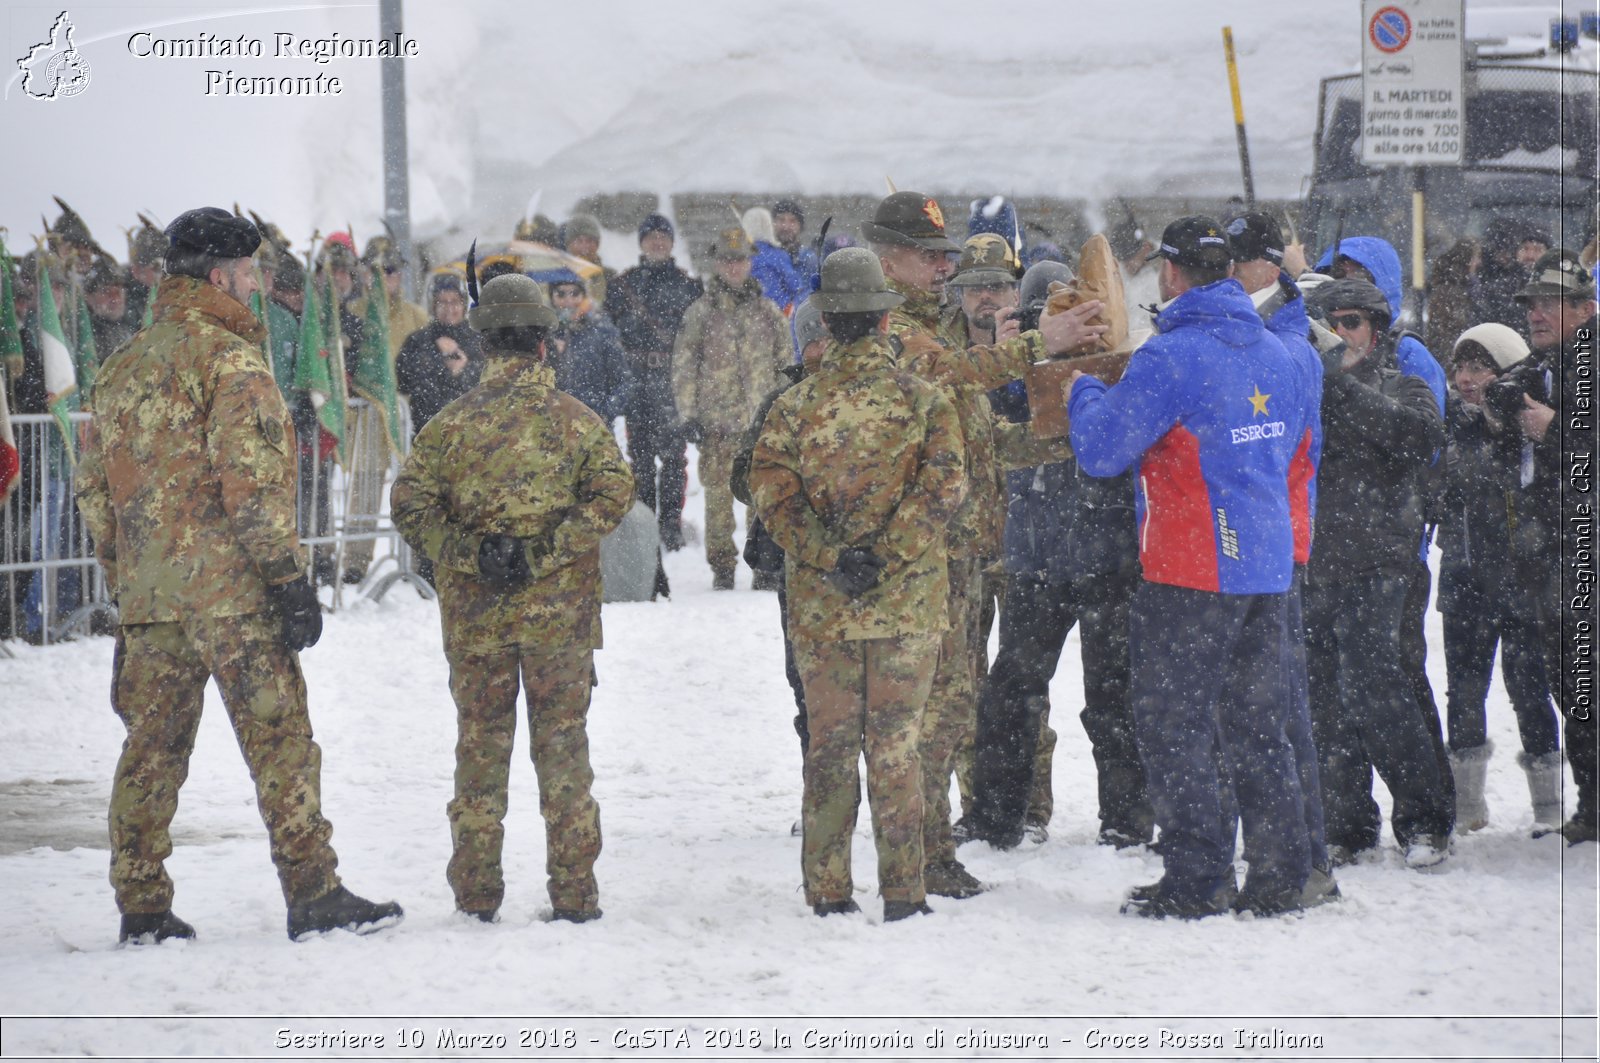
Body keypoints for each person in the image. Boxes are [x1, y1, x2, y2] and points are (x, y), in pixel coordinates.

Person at [74, 207, 403, 944]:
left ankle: (142, 902)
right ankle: (312, 887)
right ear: (222, 275)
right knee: (281, 740)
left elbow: (93, 490)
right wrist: (289, 582)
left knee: (150, 754)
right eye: (251, 271)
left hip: (153, 598)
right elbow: (250, 488)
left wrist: (129, 577)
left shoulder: (122, 367)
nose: (257, 285)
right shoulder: (232, 360)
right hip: (233, 597)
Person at [867, 190, 1107, 899]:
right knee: (934, 707)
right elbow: (954, 375)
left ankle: (936, 845)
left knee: (959, 700)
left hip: (967, 538)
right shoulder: (888, 327)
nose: (942, 269)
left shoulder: (922, 322)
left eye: (950, 258)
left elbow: (973, 430)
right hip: (926, 546)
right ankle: (919, 851)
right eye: (930, 256)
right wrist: (1041, 346)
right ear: (888, 257)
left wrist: (1056, 437)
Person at [1068, 216, 1310, 918]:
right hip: (1265, 564)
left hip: (1192, 568)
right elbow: (1293, 449)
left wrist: (1084, 389)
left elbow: (1102, 451)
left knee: (1174, 725)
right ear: (1232, 271)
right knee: (1260, 726)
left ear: (1171, 275)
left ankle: (1199, 874)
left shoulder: (1171, 356)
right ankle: (1280, 870)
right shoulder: (1281, 352)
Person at [391, 273, 634, 923]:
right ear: (544, 344)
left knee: (479, 753)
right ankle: (575, 889)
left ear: (484, 341)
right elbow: (614, 493)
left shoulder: (449, 427)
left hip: (478, 620)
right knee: (564, 754)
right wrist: (549, 549)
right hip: (560, 621)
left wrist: (473, 553)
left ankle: (476, 890)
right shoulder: (577, 424)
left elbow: (409, 505)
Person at [748, 248, 967, 922]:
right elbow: (946, 488)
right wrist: (888, 551)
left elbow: (771, 495)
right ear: (881, 317)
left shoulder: (793, 407)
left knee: (831, 746)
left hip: (823, 605)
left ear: (826, 321)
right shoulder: (924, 400)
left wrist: (832, 554)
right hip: (906, 602)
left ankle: (828, 887)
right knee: (897, 745)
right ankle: (903, 889)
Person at [1304, 276, 1454, 869]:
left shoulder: (1404, 385)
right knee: (1325, 700)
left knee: (1379, 690)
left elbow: (1420, 439)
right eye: (1331, 324)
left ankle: (1425, 820)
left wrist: (1337, 382)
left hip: (1385, 565)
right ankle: (1347, 823)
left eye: (1352, 323)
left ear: (1376, 328)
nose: (1342, 334)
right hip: (1318, 565)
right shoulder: (1308, 392)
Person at [1224, 211, 1336, 901]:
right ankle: (1300, 853)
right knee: (1273, 707)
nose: (1230, 274)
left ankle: (1305, 858)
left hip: (1275, 540)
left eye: (1241, 261)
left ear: (1269, 266)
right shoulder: (1278, 329)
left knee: (1280, 709)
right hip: (1265, 536)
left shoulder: (1285, 339)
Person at [1437, 323, 1560, 832]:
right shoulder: (1447, 423)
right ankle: (1467, 805)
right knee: (1464, 689)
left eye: (1481, 367)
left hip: (1523, 578)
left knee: (1530, 686)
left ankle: (1550, 806)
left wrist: (1505, 423)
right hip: (1463, 576)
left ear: (1508, 371)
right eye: (1462, 367)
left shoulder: (1532, 425)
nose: (1468, 379)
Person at [1497, 250, 1598, 844]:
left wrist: (1554, 431)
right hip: (1551, 550)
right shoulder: (1542, 366)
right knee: (1571, 682)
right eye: (1531, 303)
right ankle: (1592, 805)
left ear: (1586, 309)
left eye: (1550, 303)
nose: (1536, 313)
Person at [672, 228, 791, 589]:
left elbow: (784, 361)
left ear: (750, 263)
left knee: (762, 495)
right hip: (717, 422)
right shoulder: (701, 312)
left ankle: (764, 564)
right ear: (717, 265)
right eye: (727, 260)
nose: (734, 267)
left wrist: (785, 407)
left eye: (739, 260)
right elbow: (684, 363)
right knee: (719, 498)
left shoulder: (768, 312)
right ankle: (722, 566)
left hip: (760, 421)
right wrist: (688, 413)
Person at [608, 213, 703, 552]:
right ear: (641, 243)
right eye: (651, 238)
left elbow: (699, 340)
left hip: (672, 384)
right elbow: (611, 336)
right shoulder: (622, 287)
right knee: (641, 462)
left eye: (663, 236)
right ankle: (646, 526)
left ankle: (671, 528)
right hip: (637, 385)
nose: (658, 243)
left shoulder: (690, 287)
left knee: (675, 460)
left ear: (673, 242)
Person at [394, 274, 485, 434]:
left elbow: (488, 380)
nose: (449, 308)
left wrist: (462, 370)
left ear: (463, 304)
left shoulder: (477, 340)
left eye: (455, 302)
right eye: (442, 302)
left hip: (470, 431)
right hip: (427, 430)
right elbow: (404, 381)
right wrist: (437, 361)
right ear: (433, 305)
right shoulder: (418, 340)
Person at [548, 269, 632, 424]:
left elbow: (623, 381)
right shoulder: (542, 333)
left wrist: (605, 412)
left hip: (594, 425)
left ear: (584, 296)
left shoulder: (602, 331)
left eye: (575, 293)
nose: (568, 301)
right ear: (551, 297)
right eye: (561, 294)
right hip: (553, 424)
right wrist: (553, 355)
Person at [741, 207, 806, 314]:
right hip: (778, 311)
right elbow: (795, 284)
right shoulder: (777, 255)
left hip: (747, 313)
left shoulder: (741, 257)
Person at [560, 214, 616, 309]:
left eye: (590, 241)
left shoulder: (610, 276)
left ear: (597, 245)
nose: (585, 246)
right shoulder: (556, 274)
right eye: (579, 241)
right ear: (568, 245)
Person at [771, 198, 818, 280]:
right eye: (781, 220)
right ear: (773, 223)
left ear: (800, 226)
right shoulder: (765, 256)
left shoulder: (808, 258)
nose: (786, 226)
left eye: (792, 221)